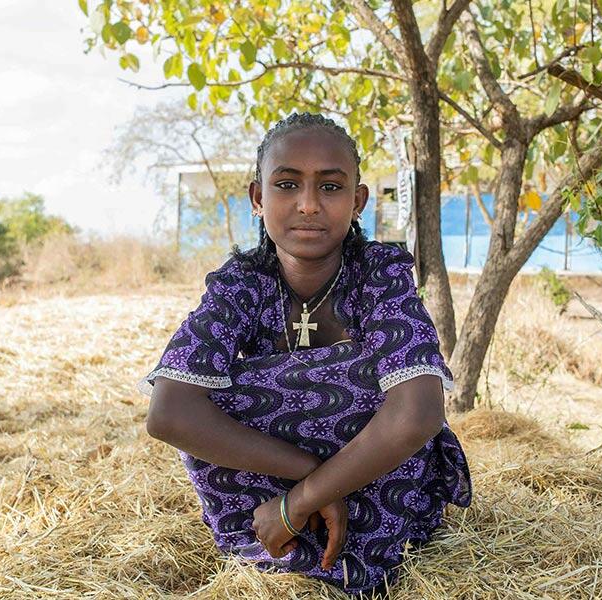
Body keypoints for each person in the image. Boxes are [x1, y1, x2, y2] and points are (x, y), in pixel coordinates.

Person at [138, 113, 472, 598]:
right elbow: (168, 413)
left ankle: (359, 560)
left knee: (385, 384)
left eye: (331, 188)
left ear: (358, 202)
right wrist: (309, 481)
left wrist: (297, 504)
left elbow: (417, 414)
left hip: (378, 505)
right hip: (260, 514)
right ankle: (278, 555)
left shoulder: (380, 276)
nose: (309, 205)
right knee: (208, 397)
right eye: (287, 184)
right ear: (258, 198)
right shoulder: (239, 287)